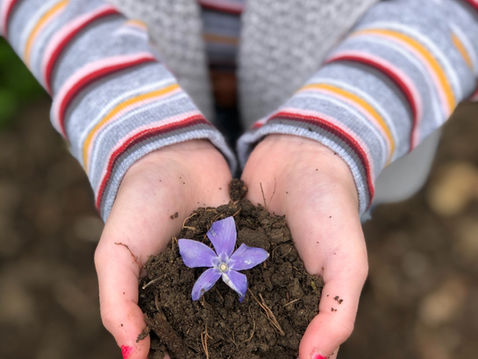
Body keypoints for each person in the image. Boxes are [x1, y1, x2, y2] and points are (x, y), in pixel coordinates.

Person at [1, 0, 477, 358]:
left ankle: (334, 242)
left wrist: (339, 135)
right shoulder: (211, 261)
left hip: (368, 114)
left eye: (225, 268)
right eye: (223, 269)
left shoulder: (239, 260)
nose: (226, 269)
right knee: (317, 223)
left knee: (324, 221)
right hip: (128, 101)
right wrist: (135, 127)